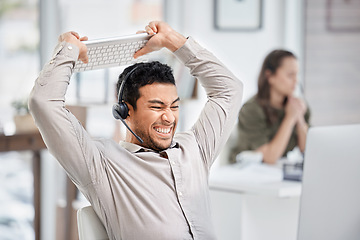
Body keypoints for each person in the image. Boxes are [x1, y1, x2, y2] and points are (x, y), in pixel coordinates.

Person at [29, 21, 243, 239]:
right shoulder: (101, 164)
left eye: (174, 106)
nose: (169, 117)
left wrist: (172, 41)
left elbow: (229, 90)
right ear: (124, 111)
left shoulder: (195, 148)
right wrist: (69, 50)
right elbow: (43, 102)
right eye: (157, 107)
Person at [230, 49, 310, 164]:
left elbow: (307, 150)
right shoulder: (251, 110)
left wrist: (300, 119)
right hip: (245, 171)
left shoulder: (297, 106)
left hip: (275, 172)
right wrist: (290, 118)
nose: (296, 81)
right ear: (270, 76)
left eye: (297, 75)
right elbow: (269, 158)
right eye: (290, 75)